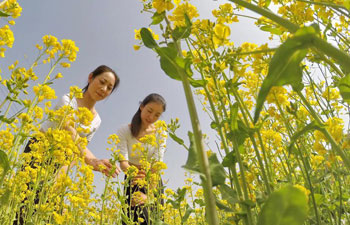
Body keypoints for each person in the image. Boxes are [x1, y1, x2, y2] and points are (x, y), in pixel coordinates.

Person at [14, 65, 122, 225]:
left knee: (50, 211)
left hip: (61, 161)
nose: (104, 89)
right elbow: (70, 131)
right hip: (38, 151)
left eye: (109, 88)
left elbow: (78, 149)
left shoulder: (97, 120)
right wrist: (92, 160)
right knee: (24, 205)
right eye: (102, 82)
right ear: (91, 77)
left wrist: (61, 179)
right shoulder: (68, 100)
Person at [116, 93, 167, 225]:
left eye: (157, 115)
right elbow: (123, 163)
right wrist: (136, 178)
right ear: (141, 107)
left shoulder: (161, 133)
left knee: (155, 220)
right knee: (131, 220)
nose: (151, 117)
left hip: (153, 179)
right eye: (149, 111)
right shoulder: (124, 131)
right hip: (132, 179)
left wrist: (148, 194)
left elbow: (156, 164)